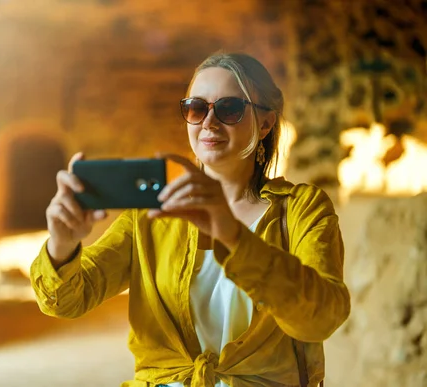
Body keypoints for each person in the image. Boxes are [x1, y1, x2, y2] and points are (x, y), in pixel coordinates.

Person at [30, 51, 350, 387]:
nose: (209, 123)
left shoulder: (303, 209)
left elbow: (321, 319)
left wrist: (231, 234)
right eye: (196, 109)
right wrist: (62, 245)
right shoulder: (151, 214)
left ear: (266, 122)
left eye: (229, 108)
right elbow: (66, 301)